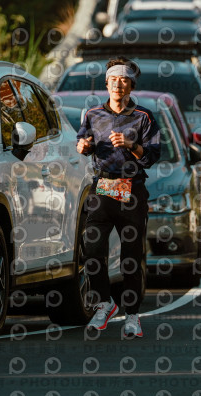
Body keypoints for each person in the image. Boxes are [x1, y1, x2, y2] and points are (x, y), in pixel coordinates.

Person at [76, 56, 161, 338]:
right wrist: (84, 146)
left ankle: (132, 316)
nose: (118, 85)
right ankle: (105, 303)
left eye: (123, 80)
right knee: (91, 250)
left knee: (131, 257)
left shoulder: (144, 117)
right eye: (113, 80)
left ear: (131, 85)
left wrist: (131, 145)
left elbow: (152, 156)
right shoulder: (93, 114)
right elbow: (85, 141)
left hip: (132, 191)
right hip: (103, 187)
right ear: (106, 83)